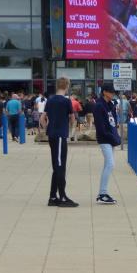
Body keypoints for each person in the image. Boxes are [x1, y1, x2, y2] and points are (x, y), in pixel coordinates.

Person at [39, 77, 78, 208]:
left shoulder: (50, 100)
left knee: (56, 165)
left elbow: (42, 118)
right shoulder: (66, 101)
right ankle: (62, 196)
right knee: (61, 165)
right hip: (61, 135)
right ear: (66, 86)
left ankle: (52, 196)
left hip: (52, 135)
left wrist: (47, 128)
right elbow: (72, 118)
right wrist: (69, 128)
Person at [94, 84, 121, 204]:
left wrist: (115, 136)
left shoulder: (110, 105)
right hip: (104, 139)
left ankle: (102, 192)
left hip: (110, 138)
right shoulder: (99, 106)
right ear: (104, 92)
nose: (113, 94)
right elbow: (100, 126)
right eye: (111, 92)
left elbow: (113, 122)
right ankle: (102, 193)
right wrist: (110, 136)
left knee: (108, 164)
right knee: (110, 164)